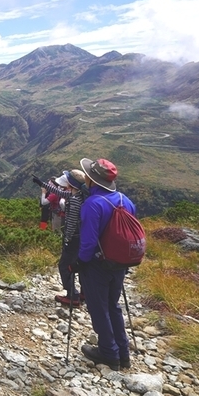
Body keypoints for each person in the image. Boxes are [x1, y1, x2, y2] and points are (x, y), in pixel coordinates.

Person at [72, 157, 136, 372]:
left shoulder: (93, 204)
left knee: (98, 308)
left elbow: (88, 241)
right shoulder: (124, 200)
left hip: (98, 265)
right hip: (119, 263)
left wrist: (79, 262)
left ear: (91, 179)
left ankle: (108, 353)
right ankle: (123, 352)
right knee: (113, 305)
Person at [33, 170, 87, 307]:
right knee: (80, 265)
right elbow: (59, 192)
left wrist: (67, 239)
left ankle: (72, 295)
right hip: (81, 238)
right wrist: (42, 183)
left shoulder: (74, 201)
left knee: (65, 266)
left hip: (73, 239)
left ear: (71, 184)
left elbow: (72, 222)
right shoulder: (77, 195)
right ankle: (84, 292)